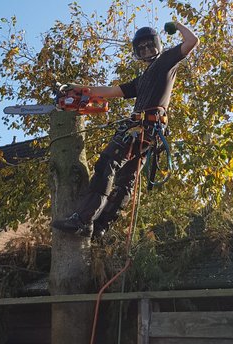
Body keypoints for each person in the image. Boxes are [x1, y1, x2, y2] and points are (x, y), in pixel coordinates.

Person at [52, 22, 199, 238]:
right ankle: (100, 227)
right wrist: (75, 88)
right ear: (137, 53)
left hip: (144, 127)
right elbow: (111, 91)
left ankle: (83, 219)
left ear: (157, 46)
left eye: (150, 46)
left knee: (107, 162)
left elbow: (192, 41)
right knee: (125, 180)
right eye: (142, 49)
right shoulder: (142, 80)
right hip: (143, 130)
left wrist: (176, 24)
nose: (147, 51)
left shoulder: (166, 62)